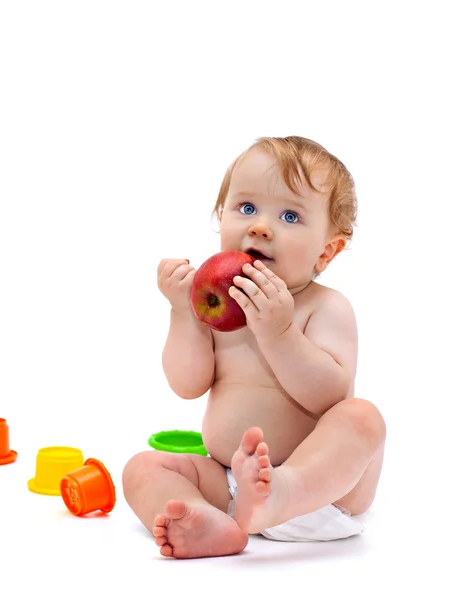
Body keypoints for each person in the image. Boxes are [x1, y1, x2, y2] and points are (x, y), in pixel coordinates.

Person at [122, 136, 386, 558]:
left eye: (289, 215)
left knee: (363, 418)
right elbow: (187, 384)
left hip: (320, 495)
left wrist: (280, 334)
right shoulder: (214, 304)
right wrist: (181, 314)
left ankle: (279, 494)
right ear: (219, 216)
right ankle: (202, 520)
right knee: (143, 467)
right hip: (229, 486)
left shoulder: (326, 307)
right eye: (246, 208)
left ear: (328, 251)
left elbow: (329, 396)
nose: (260, 226)